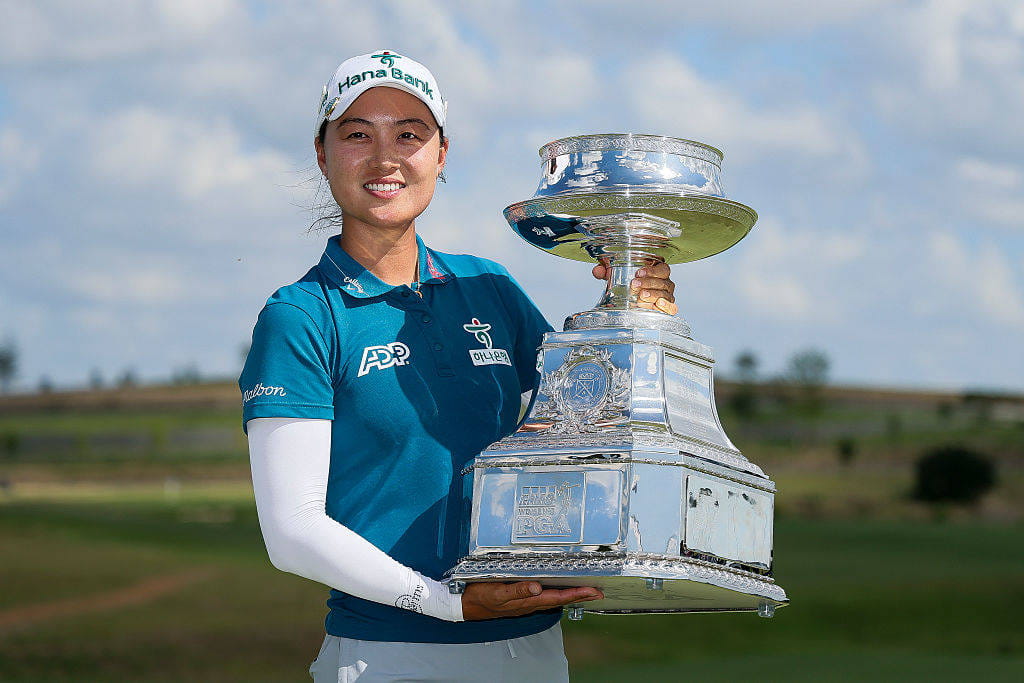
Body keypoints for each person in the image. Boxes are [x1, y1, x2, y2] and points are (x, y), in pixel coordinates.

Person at [239, 50, 678, 682]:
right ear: (322, 154)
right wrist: (449, 603)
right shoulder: (302, 316)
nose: (385, 158)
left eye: (409, 135)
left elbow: (598, 419)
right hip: (391, 653)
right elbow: (293, 531)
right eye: (358, 135)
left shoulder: (488, 287)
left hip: (533, 648)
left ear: (441, 154)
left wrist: (636, 318)